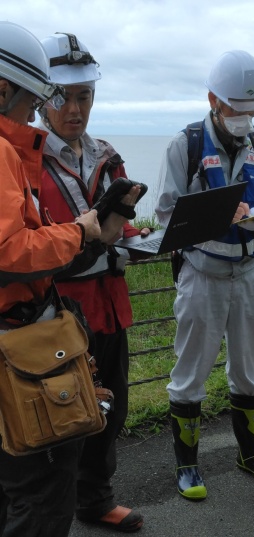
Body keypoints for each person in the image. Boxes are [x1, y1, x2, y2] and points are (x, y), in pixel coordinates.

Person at [156, 50, 254, 500]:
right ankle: (188, 467)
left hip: (253, 272)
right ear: (214, 99)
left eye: (253, 108)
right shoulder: (186, 145)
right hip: (203, 275)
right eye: (237, 108)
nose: (245, 117)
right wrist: (219, 215)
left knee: (249, 372)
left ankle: (250, 454)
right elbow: (164, 214)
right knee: (190, 373)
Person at [36, 32, 147, 532]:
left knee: (112, 408)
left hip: (109, 304)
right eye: (62, 96)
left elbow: (118, 227)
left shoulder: (107, 155)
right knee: (61, 419)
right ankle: (47, 513)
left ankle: (95, 499)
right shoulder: (24, 161)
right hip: (56, 316)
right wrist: (96, 240)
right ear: (41, 97)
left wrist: (138, 236)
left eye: (85, 95)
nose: (74, 108)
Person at [0, 21, 102, 537]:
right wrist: (78, 233)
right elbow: (8, 253)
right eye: (33, 99)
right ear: (3, 88)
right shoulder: (0, 151)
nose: (33, 113)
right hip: (16, 341)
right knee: (41, 489)